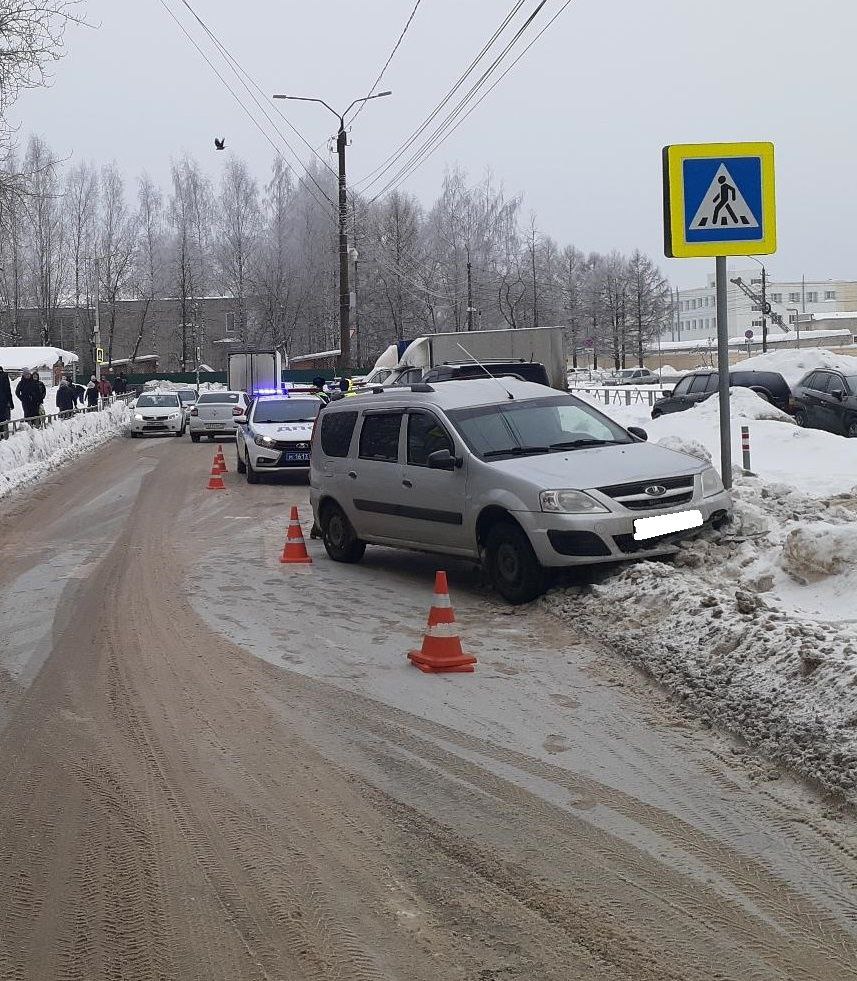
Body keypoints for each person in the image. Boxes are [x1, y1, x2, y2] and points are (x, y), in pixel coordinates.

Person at [0, 365, 13, 439]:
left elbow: (8, 390)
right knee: (2, 420)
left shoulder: (4, 376)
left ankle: (2, 436)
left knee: (2, 420)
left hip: (3, 402)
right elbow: (8, 390)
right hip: (3, 402)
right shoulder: (5, 376)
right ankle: (2, 436)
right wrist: (11, 403)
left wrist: (11, 403)